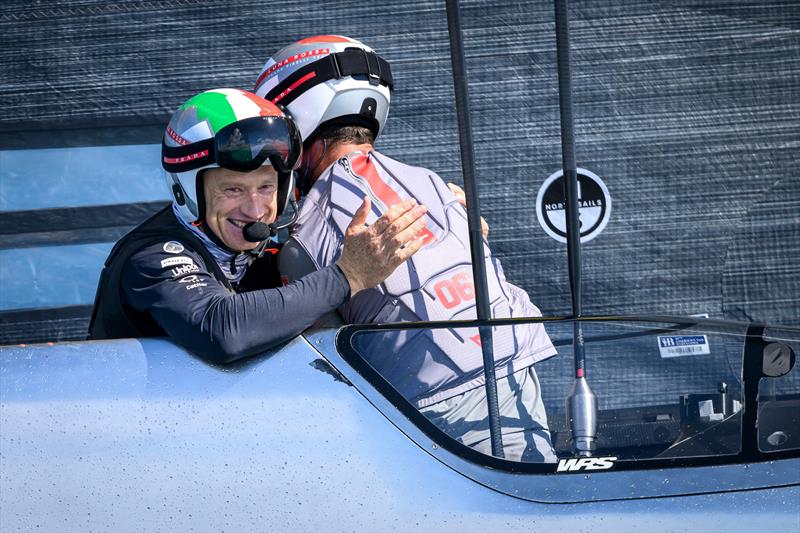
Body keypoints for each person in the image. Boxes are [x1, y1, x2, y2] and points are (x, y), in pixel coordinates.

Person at [254, 36, 558, 462]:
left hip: (428, 398)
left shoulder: (305, 234)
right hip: (515, 361)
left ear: (295, 119)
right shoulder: (432, 183)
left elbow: (328, 365)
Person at [88, 88, 427, 363]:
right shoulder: (151, 258)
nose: (255, 209)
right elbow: (223, 330)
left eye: (266, 187)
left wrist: (437, 217)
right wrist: (347, 276)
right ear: (187, 189)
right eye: (233, 189)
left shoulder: (253, 245)